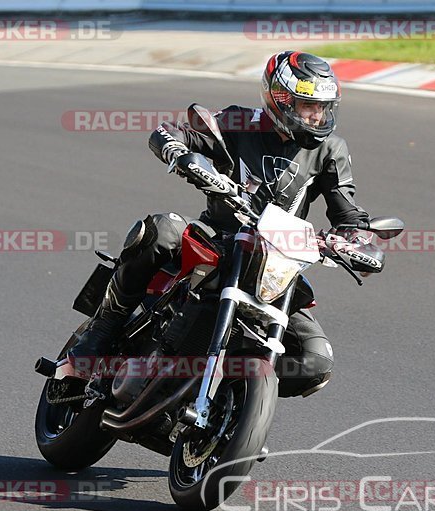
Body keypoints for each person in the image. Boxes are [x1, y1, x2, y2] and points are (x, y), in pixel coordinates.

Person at [68, 51, 371, 397]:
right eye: (308, 106)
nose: (317, 116)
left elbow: (348, 214)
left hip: (275, 262)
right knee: (162, 229)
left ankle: (229, 398)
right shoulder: (239, 122)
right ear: (281, 99)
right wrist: (182, 156)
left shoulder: (331, 150)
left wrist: (354, 240)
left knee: (316, 361)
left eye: (323, 108)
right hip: (220, 237)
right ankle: (102, 331)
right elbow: (170, 134)